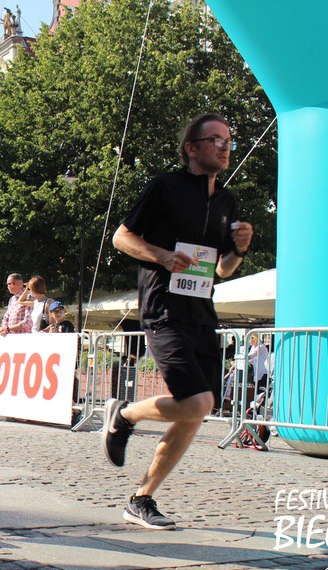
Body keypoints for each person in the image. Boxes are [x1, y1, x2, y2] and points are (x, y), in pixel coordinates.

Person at [102, 112, 253, 530]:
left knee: (195, 412)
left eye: (228, 140)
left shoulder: (226, 201)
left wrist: (239, 250)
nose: (225, 147)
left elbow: (221, 270)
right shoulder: (165, 187)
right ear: (191, 148)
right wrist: (163, 256)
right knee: (198, 402)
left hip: (202, 313)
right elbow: (121, 237)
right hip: (163, 308)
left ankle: (141, 498)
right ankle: (125, 415)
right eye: (215, 139)